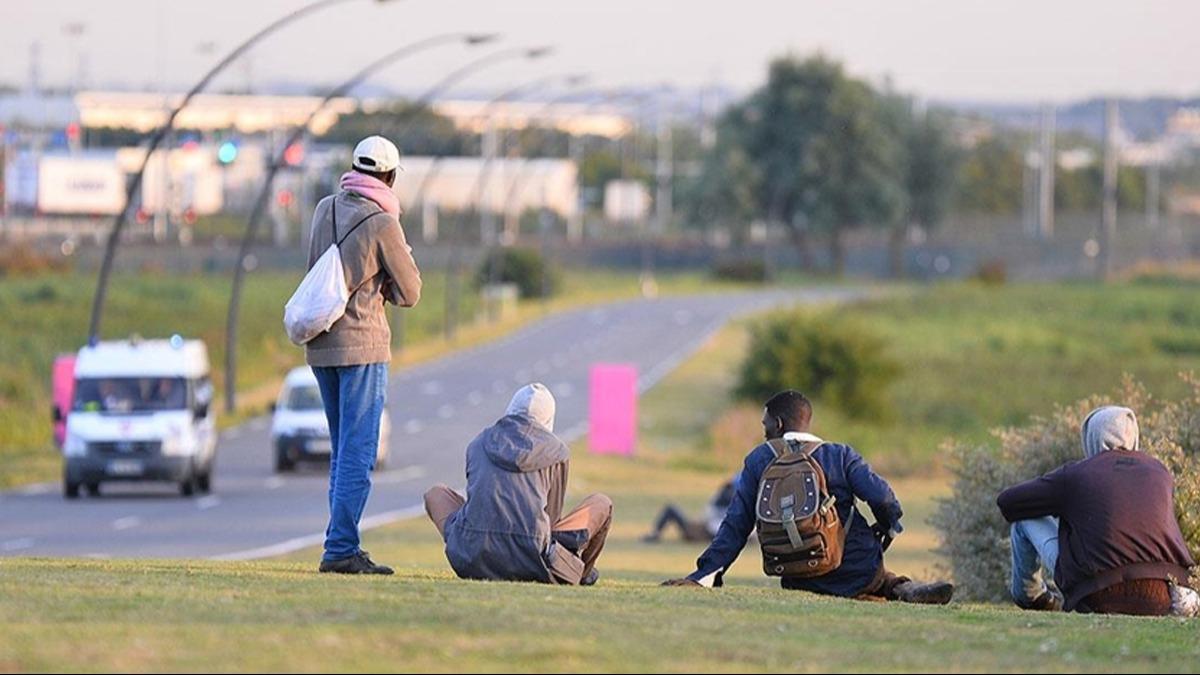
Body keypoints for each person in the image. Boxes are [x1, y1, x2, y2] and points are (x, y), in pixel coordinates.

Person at [662, 390, 954, 604]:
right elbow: (883, 498)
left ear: (777, 424)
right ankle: (898, 588)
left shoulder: (759, 459)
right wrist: (888, 525)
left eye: (765, 426)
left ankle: (890, 590)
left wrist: (704, 576)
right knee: (876, 575)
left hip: (796, 575)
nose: (764, 433)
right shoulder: (839, 454)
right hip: (855, 568)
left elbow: (736, 525)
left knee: (858, 581)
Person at [309, 136, 422, 575]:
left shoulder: (324, 209)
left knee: (341, 450)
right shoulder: (383, 223)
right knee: (359, 450)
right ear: (390, 176)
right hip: (362, 345)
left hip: (321, 342)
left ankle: (338, 541)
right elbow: (410, 291)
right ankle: (340, 548)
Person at [997, 406, 1198, 616]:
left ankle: (1033, 598)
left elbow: (1008, 502)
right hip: (1161, 598)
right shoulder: (1160, 472)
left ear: (1090, 438)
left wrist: (1060, 505)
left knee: (1024, 520)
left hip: (1098, 596)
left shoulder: (1076, 474)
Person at [424, 383, 612, 585]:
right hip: (533, 563)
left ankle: (477, 548)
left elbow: (476, 499)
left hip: (472, 558)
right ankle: (580, 573)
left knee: (435, 494)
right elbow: (552, 519)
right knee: (601, 503)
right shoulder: (557, 452)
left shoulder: (478, 442)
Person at [642, 479, 735, 543]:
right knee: (671, 509)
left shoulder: (723, 507)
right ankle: (655, 534)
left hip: (699, 532)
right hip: (699, 530)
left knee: (671, 509)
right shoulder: (725, 506)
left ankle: (655, 534)